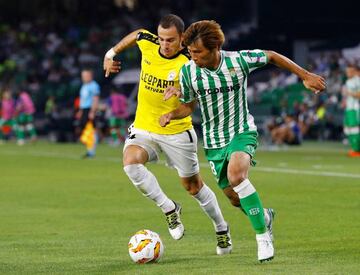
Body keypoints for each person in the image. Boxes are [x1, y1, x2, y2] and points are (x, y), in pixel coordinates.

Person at [159, 20, 326, 262]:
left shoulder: (238, 61)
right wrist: (172, 114)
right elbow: (188, 106)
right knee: (234, 198)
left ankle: (262, 237)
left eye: (197, 52)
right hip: (214, 141)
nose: (192, 56)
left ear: (215, 47)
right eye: (190, 52)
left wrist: (305, 74)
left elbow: (271, 56)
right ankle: (265, 218)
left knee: (238, 176)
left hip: (241, 131)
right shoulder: (188, 72)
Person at [103, 14, 234, 255]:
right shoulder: (148, 42)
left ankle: (221, 228)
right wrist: (110, 54)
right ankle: (169, 209)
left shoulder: (190, 64)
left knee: (193, 187)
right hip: (144, 126)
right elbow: (136, 35)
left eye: (171, 40)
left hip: (176, 131)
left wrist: (172, 114)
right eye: (162, 39)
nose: (165, 44)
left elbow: (190, 107)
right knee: (130, 163)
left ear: (183, 39)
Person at [76, 69, 100, 158]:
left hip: (90, 109)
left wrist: (92, 111)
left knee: (91, 130)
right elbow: (83, 99)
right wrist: (80, 111)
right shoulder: (84, 86)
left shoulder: (94, 86)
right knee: (87, 130)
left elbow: (95, 99)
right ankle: (89, 150)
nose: (84, 78)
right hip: (84, 110)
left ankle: (91, 152)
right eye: (83, 76)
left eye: (86, 76)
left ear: (90, 76)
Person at [342, 64, 360, 157]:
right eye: (347, 72)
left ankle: (356, 150)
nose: (348, 73)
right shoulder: (348, 81)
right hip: (348, 108)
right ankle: (353, 148)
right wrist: (344, 101)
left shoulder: (357, 80)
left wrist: (350, 93)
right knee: (348, 129)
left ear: (354, 71)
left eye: (349, 71)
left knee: (355, 129)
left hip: (355, 108)